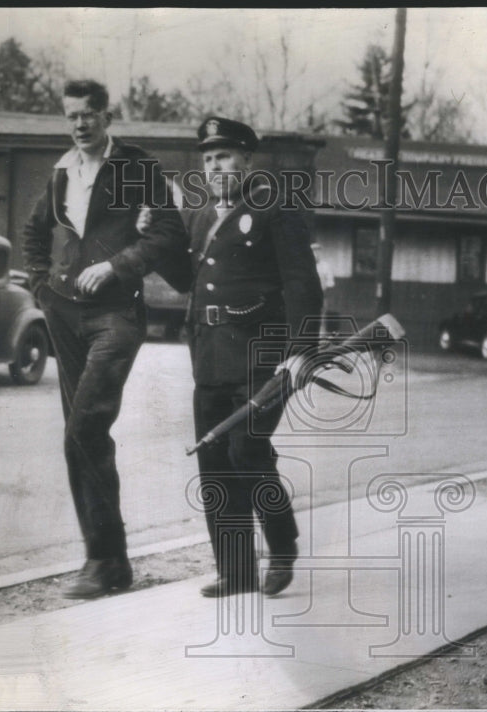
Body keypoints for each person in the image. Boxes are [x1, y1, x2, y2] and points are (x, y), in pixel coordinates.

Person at [23, 79, 189, 598]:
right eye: (71, 115)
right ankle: (106, 561)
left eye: (89, 114)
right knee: (80, 432)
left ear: (107, 116)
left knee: (84, 427)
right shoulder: (61, 172)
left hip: (116, 316)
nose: (79, 124)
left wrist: (117, 267)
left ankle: (106, 559)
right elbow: (33, 231)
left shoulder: (138, 167)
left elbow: (167, 233)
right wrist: (40, 284)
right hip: (65, 316)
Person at [154, 116, 323, 598]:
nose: (214, 166)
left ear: (247, 159)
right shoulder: (203, 217)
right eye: (208, 159)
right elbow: (187, 280)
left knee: (246, 451)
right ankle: (235, 570)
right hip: (209, 357)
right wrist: (161, 232)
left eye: (224, 156)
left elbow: (301, 282)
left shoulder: (274, 207)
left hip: (263, 357)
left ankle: (282, 542)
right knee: (215, 461)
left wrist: (302, 351)